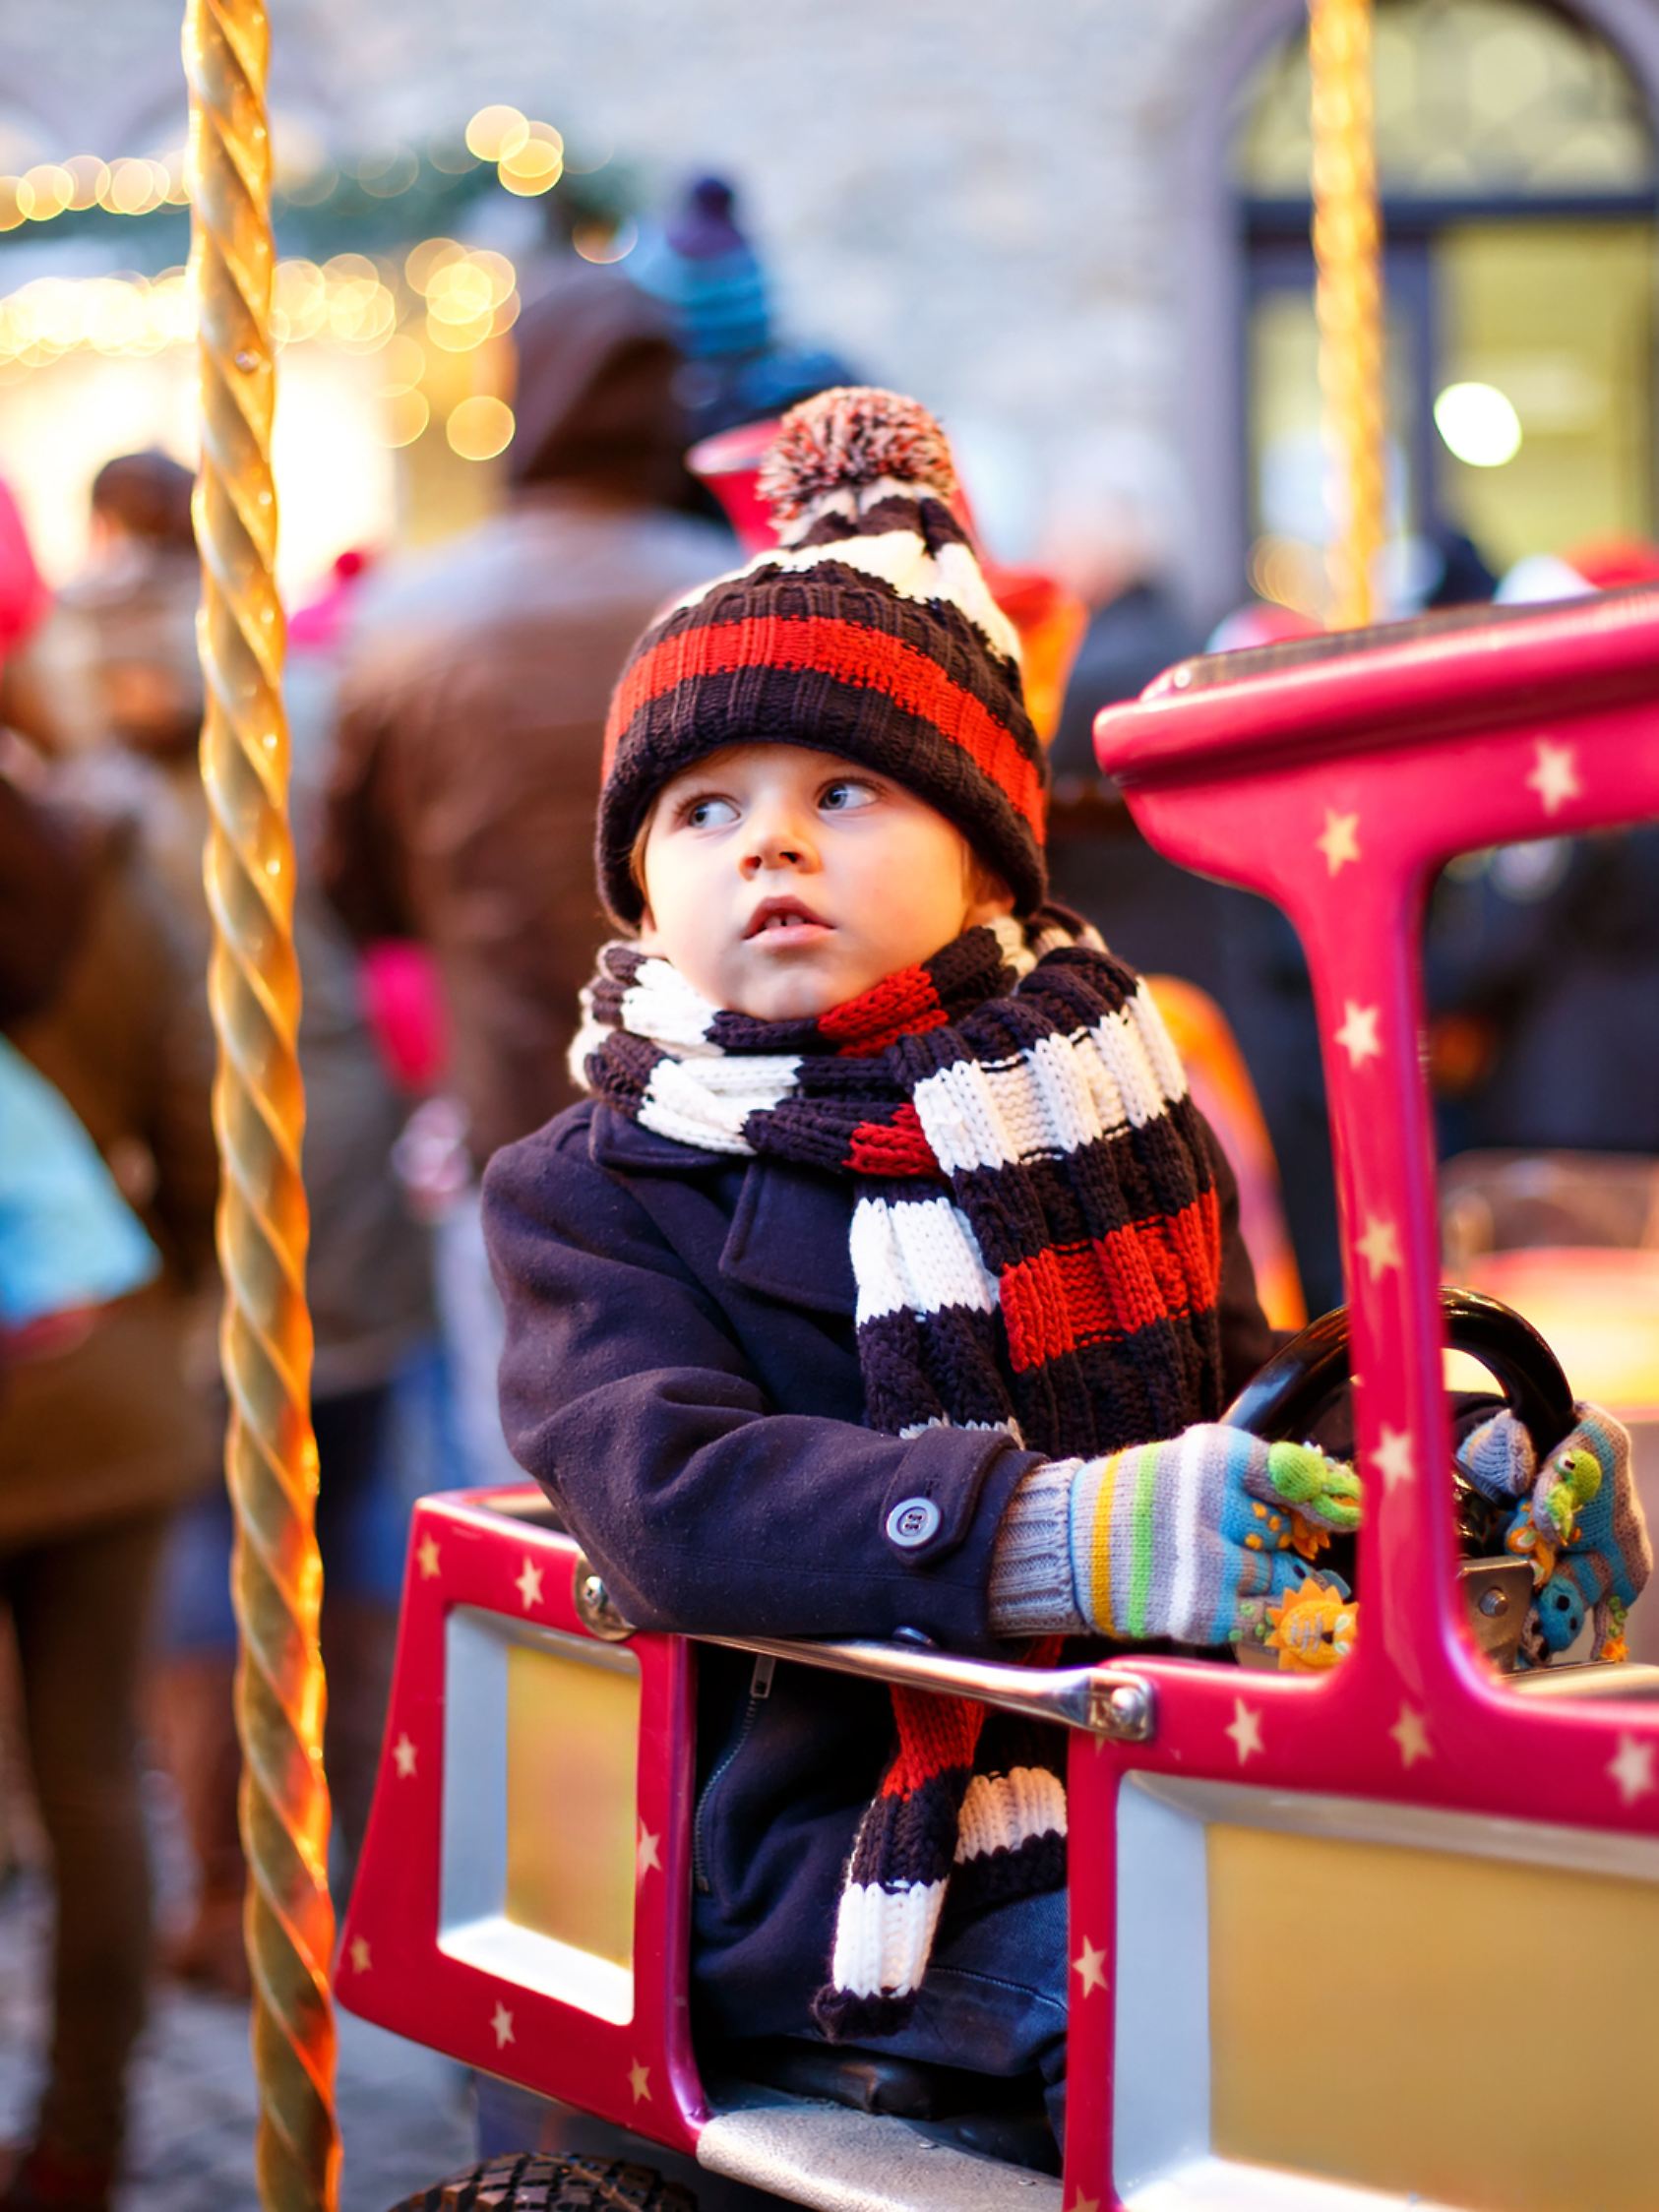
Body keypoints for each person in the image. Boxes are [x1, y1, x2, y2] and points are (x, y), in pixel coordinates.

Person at [482, 390, 1648, 2143]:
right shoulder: (590, 1186)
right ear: (642, 887)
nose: (771, 843)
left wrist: (1437, 1484)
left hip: (1160, 1741)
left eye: (846, 790)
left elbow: (1227, 1381)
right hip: (839, 1840)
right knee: (1244, 2037)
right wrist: (1044, 1529)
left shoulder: (1099, 1097)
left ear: (981, 851)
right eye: (704, 809)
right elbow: (666, 1493)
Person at [322, 260, 730, 1483]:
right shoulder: (729, 589)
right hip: (744, 1122)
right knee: (749, 1483)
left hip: (517, 1111)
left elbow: (362, 888)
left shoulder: (413, 614)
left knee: (529, 1493)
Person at [0, 774, 218, 2212]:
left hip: (92, 1399)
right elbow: (204, 1134)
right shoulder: (90, 866)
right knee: (89, 1781)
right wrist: (163, 1291)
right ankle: (81, 2143)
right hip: (96, 1390)